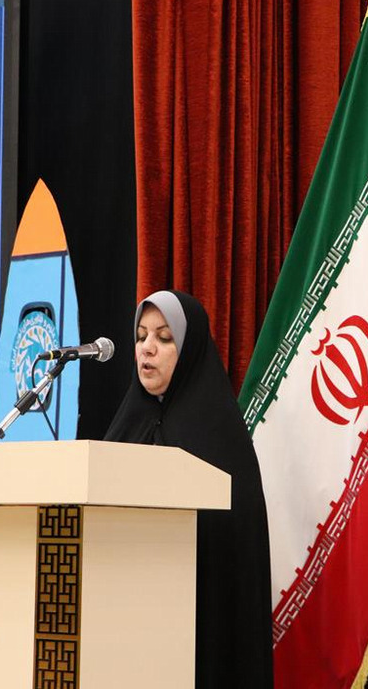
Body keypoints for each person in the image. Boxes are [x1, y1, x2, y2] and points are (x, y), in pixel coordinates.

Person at [104, 290, 274, 688]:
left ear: (190, 347)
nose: (147, 348)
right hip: (127, 614)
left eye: (164, 337)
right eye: (141, 336)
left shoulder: (218, 434)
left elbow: (234, 542)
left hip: (201, 620)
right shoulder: (126, 425)